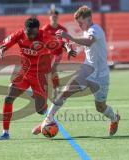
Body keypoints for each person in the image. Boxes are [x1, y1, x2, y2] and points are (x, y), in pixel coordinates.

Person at [35, 6, 120, 136]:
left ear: (89, 19)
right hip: (87, 71)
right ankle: (47, 120)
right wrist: (70, 48)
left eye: (81, 23)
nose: (80, 26)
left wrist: (70, 37)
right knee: (65, 92)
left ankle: (114, 118)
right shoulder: (86, 31)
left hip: (101, 76)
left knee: (100, 107)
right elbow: (84, 43)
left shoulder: (95, 29)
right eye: (78, 23)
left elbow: (89, 41)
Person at [0, 17, 76, 140]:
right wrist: (0, 50)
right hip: (24, 72)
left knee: (40, 110)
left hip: (40, 75)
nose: (31, 36)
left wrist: (68, 49)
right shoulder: (19, 34)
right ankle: (5, 133)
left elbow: (62, 43)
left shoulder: (45, 37)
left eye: (33, 33)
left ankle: (47, 119)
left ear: (38, 30)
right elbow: (1, 46)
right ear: (24, 29)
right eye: (28, 33)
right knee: (8, 98)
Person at [42, 9, 68, 98]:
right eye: (52, 16)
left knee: (52, 69)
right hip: (48, 53)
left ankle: (55, 89)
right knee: (48, 71)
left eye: (55, 16)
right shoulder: (45, 28)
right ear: (49, 17)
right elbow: (41, 40)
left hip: (58, 53)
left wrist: (67, 48)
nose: (54, 18)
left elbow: (67, 41)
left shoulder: (62, 29)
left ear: (58, 17)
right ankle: (52, 89)